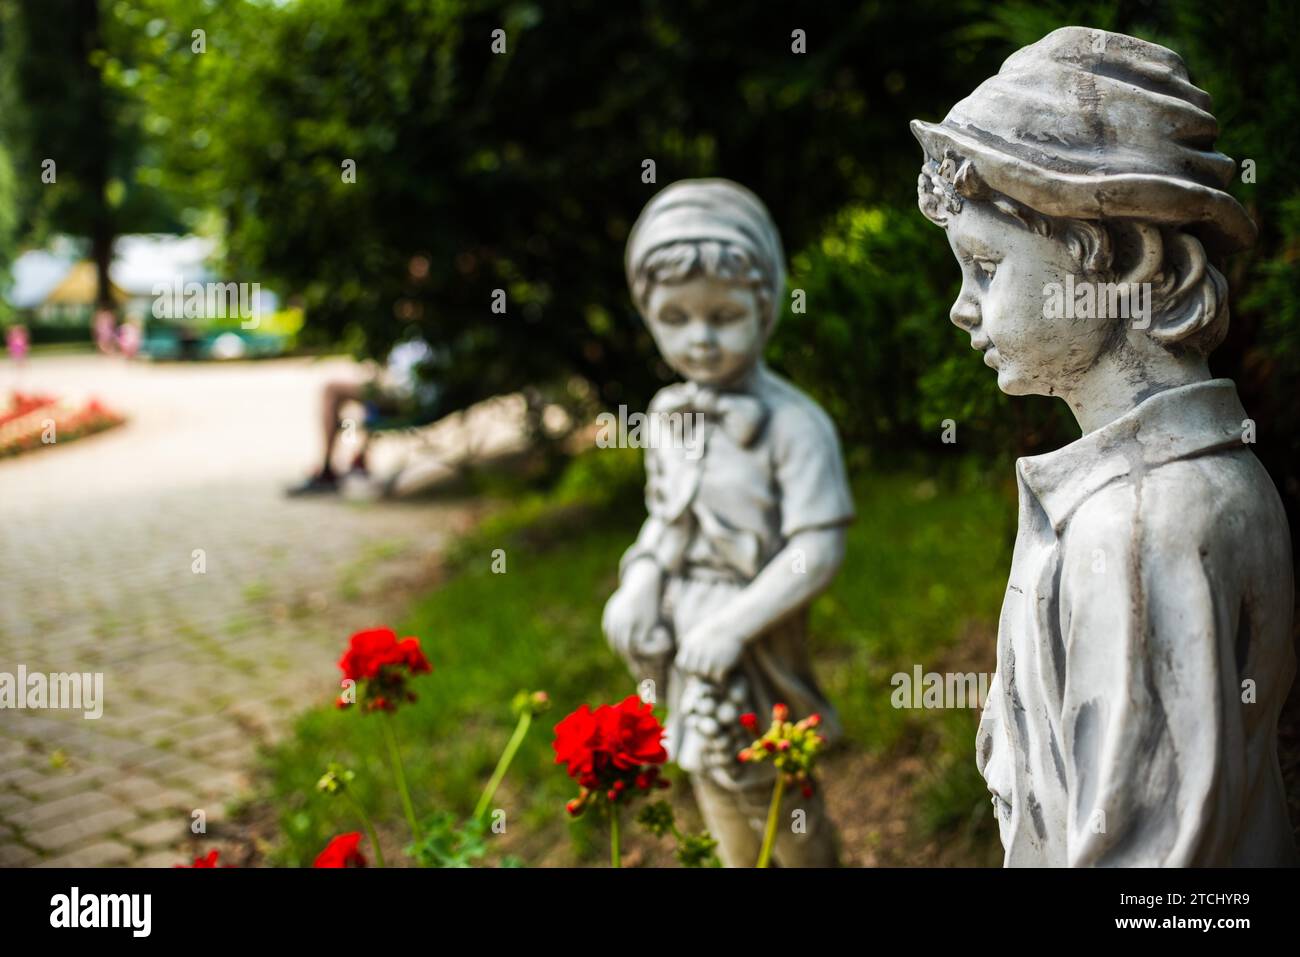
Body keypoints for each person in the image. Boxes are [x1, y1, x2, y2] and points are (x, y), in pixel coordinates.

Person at [912, 27, 1295, 866]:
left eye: (985, 266)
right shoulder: (1201, 479)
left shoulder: (1138, 525)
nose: (961, 309)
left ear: (1118, 257)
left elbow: (1144, 854)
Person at [604, 179, 854, 866]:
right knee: (709, 768)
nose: (702, 338)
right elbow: (668, 519)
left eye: (724, 314)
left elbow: (818, 546)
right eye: (676, 318)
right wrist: (644, 579)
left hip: (759, 631)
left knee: (777, 785)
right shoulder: (666, 414)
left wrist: (735, 623)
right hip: (687, 628)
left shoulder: (796, 425)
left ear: (765, 306)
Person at [287, 333, 438, 496]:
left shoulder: (423, 338)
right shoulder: (420, 336)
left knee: (332, 389)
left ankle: (329, 469)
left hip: (409, 399)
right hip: (408, 396)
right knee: (360, 391)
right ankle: (355, 458)